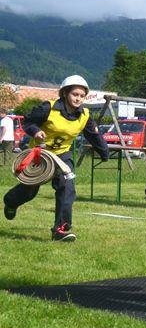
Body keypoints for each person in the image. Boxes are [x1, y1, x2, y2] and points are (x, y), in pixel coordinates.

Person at [3, 76, 109, 241]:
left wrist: (104, 153)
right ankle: (11, 201)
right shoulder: (48, 108)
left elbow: (94, 135)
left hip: (62, 156)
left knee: (67, 187)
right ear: (65, 93)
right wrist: (36, 132)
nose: (78, 98)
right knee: (30, 191)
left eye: (82, 95)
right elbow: (28, 121)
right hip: (40, 154)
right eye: (75, 94)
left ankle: (60, 230)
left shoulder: (85, 115)